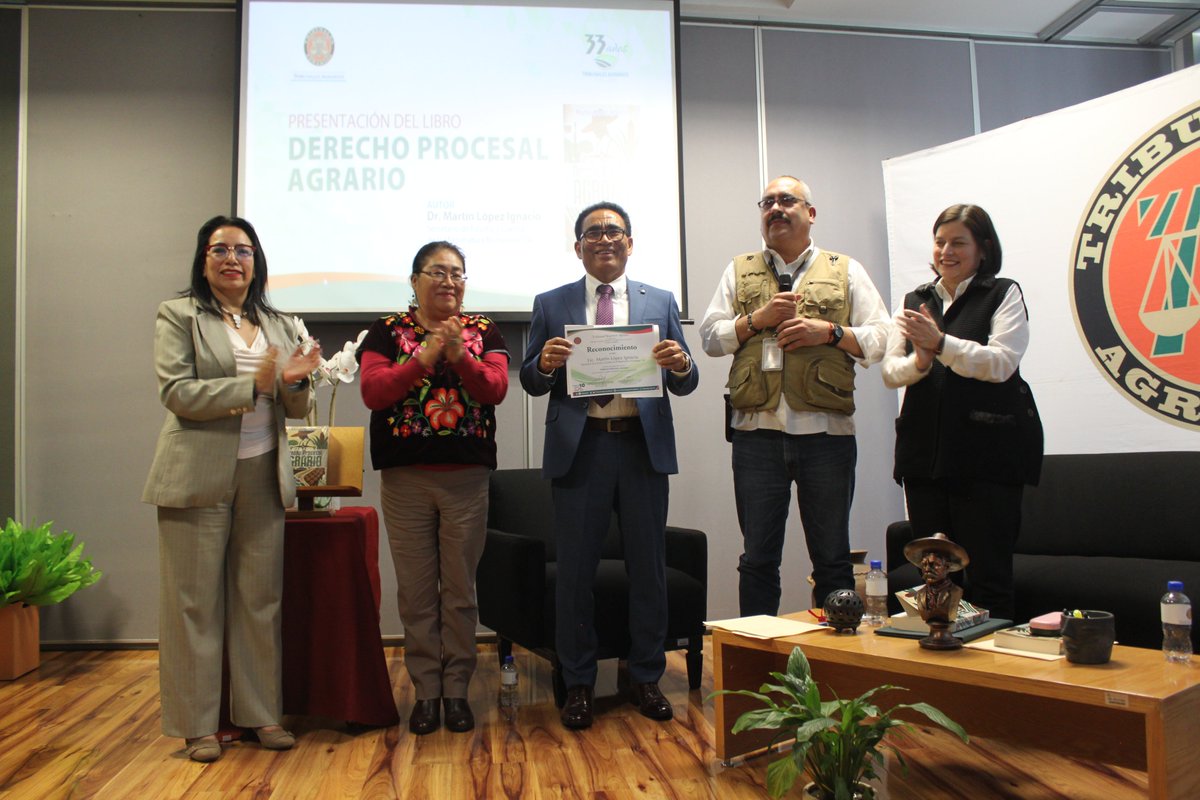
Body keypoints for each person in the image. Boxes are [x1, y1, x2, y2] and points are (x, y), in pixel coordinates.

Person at [143, 215, 321, 763]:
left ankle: (261, 713)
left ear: (256, 261)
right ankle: (197, 726)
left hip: (263, 471)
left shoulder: (277, 320)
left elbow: (299, 407)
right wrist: (253, 383)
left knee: (259, 600)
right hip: (197, 472)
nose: (231, 259)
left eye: (243, 251)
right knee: (193, 603)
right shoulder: (179, 315)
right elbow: (177, 392)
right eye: (219, 249)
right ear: (203, 260)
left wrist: (296, 379)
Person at [520, 201, 698, 730]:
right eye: (593, 232)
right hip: (584, 448)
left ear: (630, 242)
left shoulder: (660, 300)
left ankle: (645, 675)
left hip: (641, 449)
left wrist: (681, 363)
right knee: (575, 572)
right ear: (578, 246)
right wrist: (546, 363)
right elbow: (531, 379)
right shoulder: (550, 303)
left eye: (613, 231)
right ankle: (577, 682)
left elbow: (687, 381)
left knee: (649, 568)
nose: (604, 239)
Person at [698, 176, 889, 616]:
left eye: (787, 200)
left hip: (827, 437)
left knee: (833, 560)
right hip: (756, 437)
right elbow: (709, 337)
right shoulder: (739, 269)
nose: (775, 208)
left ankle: (830, 668)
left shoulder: (845, 269)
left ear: (811, 213)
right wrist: (756, 319)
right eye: (767, 202)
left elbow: (881, 339)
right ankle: (758, 669)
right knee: (758, 561)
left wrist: (831, 332)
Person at [356, 241, 509, 735]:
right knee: (418, 592)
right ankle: (426, 690)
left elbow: (495, 390)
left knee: (460, 592)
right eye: (437, 272)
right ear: (414, 280)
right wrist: (422, 356)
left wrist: (461, 357)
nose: (449, 281)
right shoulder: (387, 330)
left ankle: (458, 688)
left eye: (457, 273)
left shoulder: (484, 330)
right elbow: (375, 392)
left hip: (466, 479)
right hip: (405, 479)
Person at [882, 204, 1042, 621]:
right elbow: (889, 370)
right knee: (934, 578)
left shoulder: (1003, 293)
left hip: (987, 459)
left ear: (983, 249)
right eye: (939, 242)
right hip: (924, 459)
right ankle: (943, 674)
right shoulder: (916, 300)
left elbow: (1001, 363)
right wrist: (919, 362)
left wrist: (940, 345)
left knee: (988, 579)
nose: (946, 251)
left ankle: (992, 679)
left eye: (958, 242)